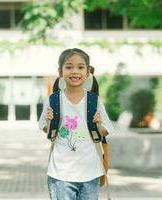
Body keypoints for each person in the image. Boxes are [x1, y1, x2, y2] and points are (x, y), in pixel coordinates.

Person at [38, 48, 114, 200]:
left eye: (80, 67)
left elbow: (107, 129)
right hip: (61, 173)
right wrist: (49, 122)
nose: (75, 71)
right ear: (60, 72)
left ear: (87, 72)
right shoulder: (53, 100)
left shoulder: (94, 100)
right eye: (69, 67)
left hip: (90, 172)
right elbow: (44, 127)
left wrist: (99, 125)